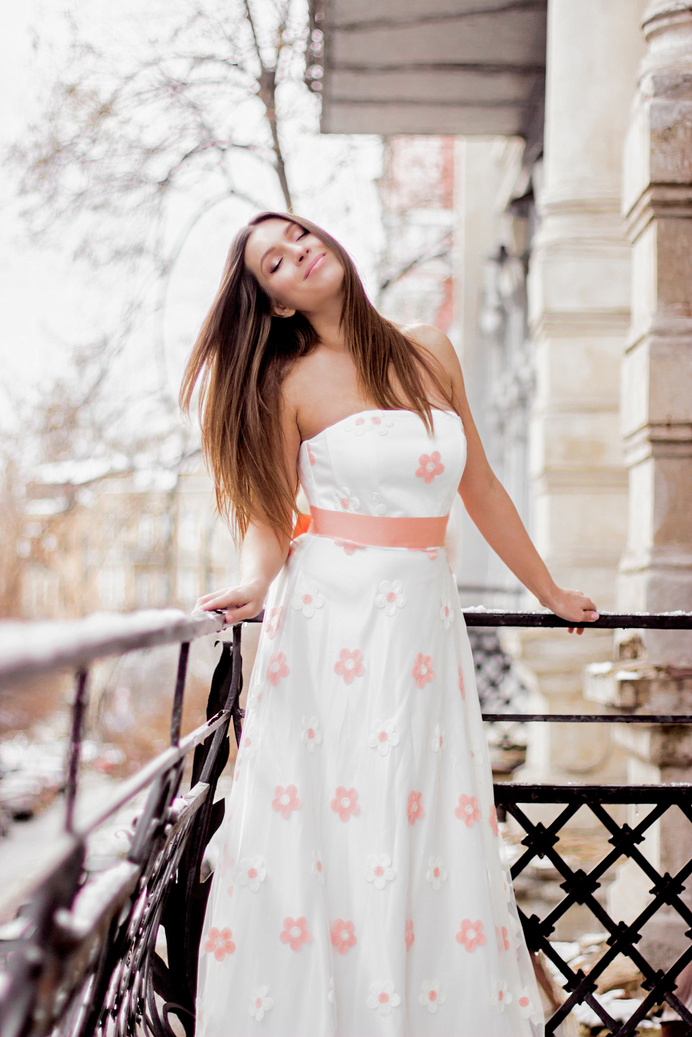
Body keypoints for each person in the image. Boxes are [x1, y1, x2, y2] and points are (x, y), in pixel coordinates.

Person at [181, 211, 599, 1037]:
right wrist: (253, 583)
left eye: (298, 236)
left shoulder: (428, 349)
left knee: (421, 816)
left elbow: (479, 487)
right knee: (345, 824)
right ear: (275, 306)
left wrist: (548, 590)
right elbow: (268, 515)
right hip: (333, 624)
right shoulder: (287, 383)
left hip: (423, 624)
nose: (299, 250)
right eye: (276, 261)